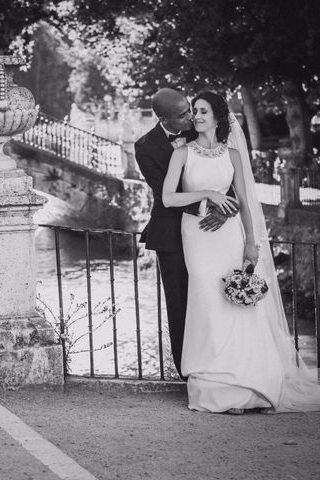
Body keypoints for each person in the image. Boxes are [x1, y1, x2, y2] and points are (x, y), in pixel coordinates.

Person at [163, 90, 320, 414]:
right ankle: (215, 386)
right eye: (195, 111)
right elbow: (169, 198)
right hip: (197, 234)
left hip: (228, 234)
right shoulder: (182, 154)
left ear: (217, 117)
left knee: (236, 306)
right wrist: (209, 194)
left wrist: (251, 241)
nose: (196, 116)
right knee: (207, 302)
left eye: (202, 111)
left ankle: (246, 386)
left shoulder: (233, 155)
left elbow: (244, 202)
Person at [134, 88, 238, 379]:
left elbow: (224, 172)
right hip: (171, 233)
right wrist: (208, 204)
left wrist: (225, 210)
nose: (191, 116)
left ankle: (225, 364)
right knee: (179, 304)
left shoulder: (200, 129)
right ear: (163, 118)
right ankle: (188, 374)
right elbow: (165, 192)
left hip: (213, 232)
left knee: (215, 298)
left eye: (190, 109)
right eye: (182, 114)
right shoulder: (145, 146)